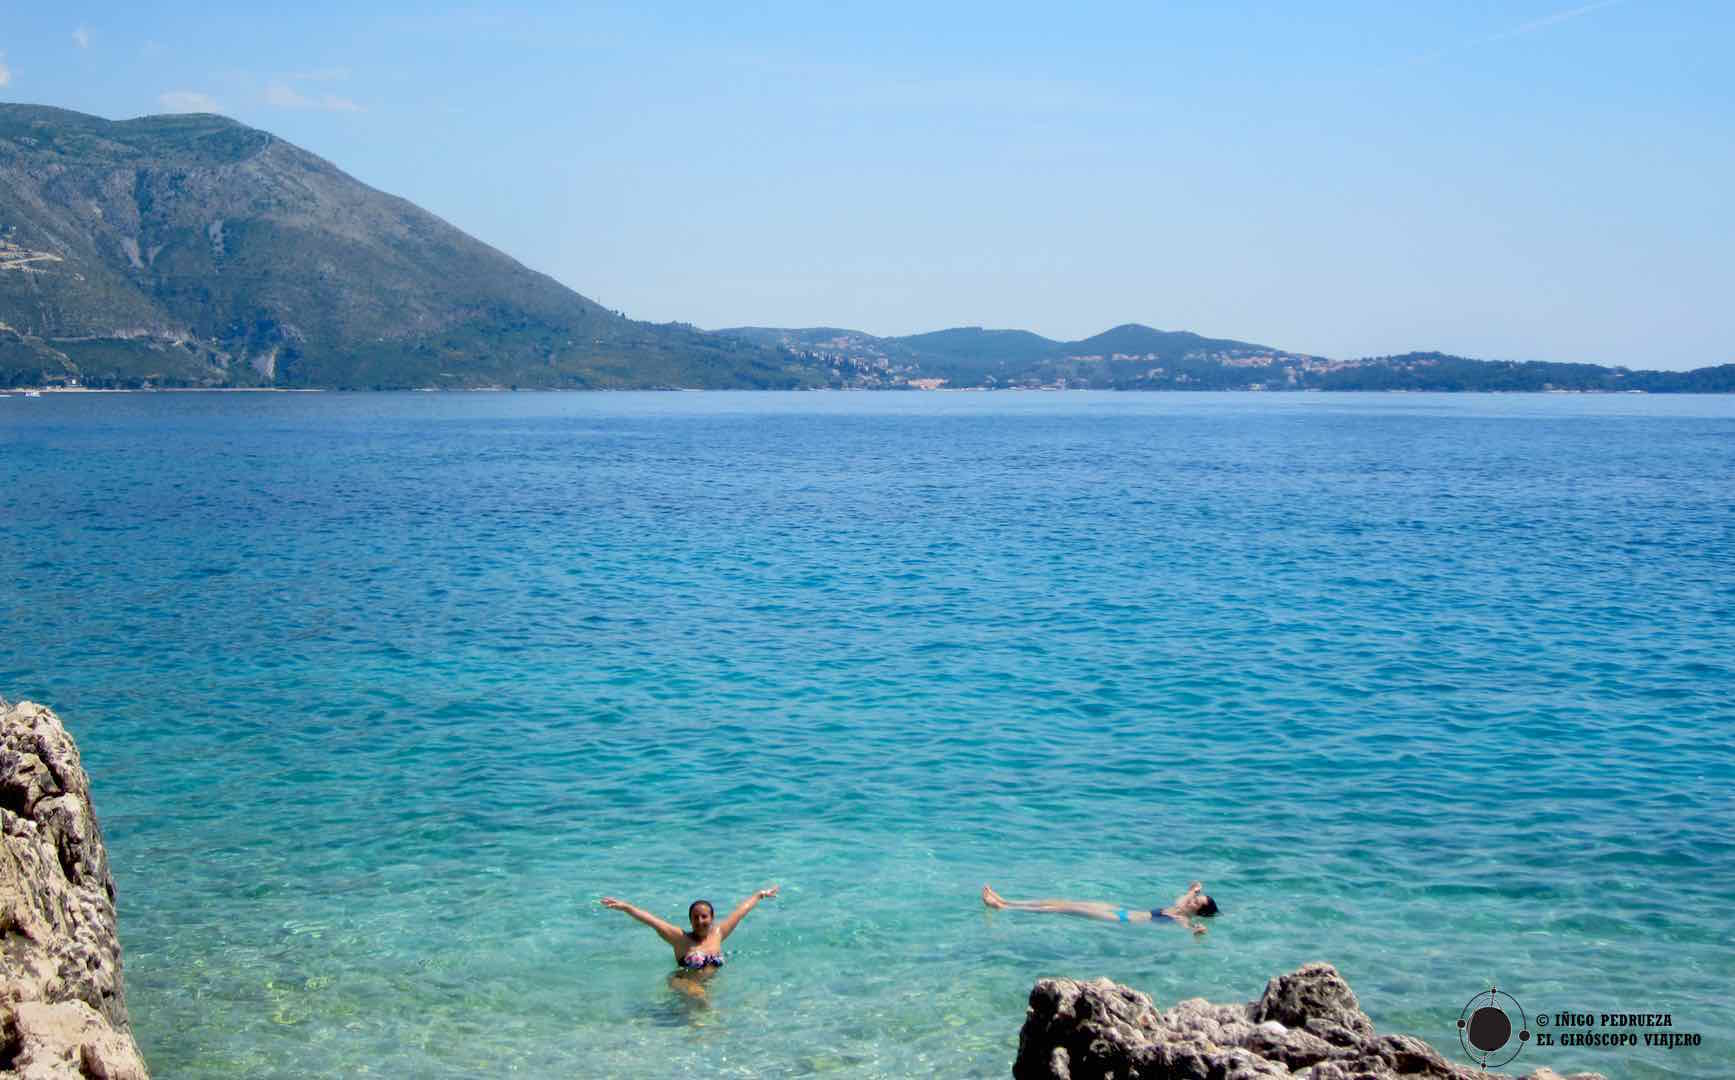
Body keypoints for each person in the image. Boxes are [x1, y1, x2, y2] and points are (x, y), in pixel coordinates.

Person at [600, 886, 780, 970]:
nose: (700, 921)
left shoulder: (718, 934)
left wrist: (760, 895)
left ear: (712, 918)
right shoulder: (680, 939)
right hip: (683, 986)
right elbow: (651, 920)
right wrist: (626, 908)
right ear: (690, 920)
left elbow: (741, 911)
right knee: (704, 1010)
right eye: (695, 917)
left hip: (707, 988)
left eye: (704, 916)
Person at [980, 880, 1219, 935]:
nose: (1191, 901)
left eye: (1195, 903)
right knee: (1063, 901)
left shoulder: (1181, 919)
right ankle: (1007, 900)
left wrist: (1198, 932)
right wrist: (1194, 890)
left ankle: (1002, 909)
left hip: (1120, 919)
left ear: (1196, 911)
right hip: (1119, 908)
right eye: (1194, 899)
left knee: (1063, 910)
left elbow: (1190, 929)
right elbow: (1185, 897)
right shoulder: (1178, 906)